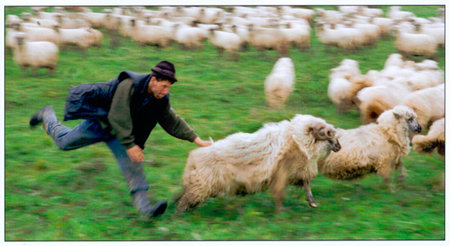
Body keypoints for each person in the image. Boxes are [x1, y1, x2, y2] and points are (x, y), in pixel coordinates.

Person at [29, 60, 211, 218]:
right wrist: (131, 145)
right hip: (99, 125)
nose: (165, 91)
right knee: (63, 143)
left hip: (121, 136)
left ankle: (146, 209)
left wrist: (197, 140)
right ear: (153, 79)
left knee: (134, 165)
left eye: (169, 88)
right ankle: (48, 116)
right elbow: (118, 115)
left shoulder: (160, 98)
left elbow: (171, 120)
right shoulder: (129, 84)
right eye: (164, 86)